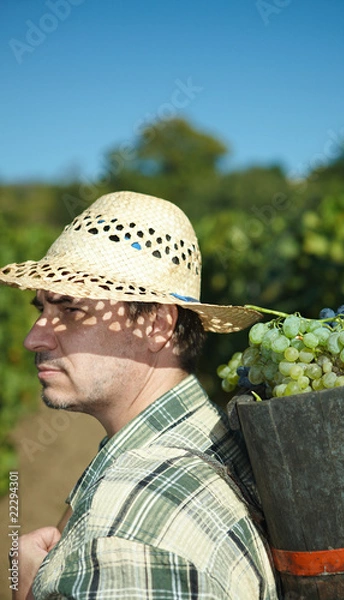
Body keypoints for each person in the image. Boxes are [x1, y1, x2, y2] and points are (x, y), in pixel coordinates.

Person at [1, 191, 278, 599]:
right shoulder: (213, 439)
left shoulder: (123, 542)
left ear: (157, 325)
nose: (33, 337)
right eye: (40, 309)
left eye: (71, 309)